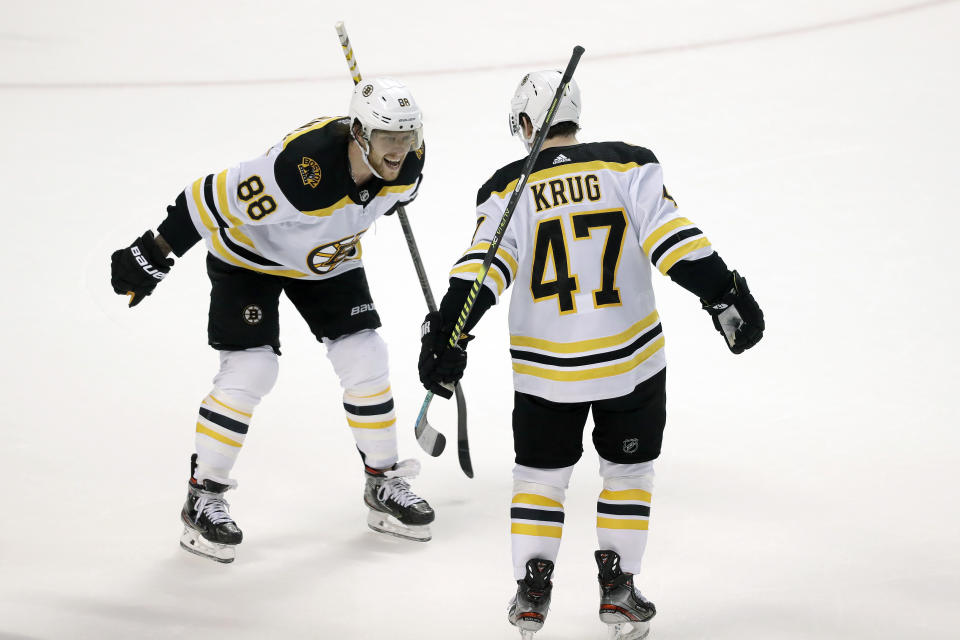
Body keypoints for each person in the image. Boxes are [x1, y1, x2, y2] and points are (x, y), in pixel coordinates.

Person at [418, 70, 764, 639]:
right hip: (630, 363)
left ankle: (532, 592)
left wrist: (447, 334)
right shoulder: (629, 164)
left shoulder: (508, 187)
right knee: (627, 472)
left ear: (527, 125)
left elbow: (483, 270)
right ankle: (619, 592)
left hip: (544, 370)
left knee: (540, 476)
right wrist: (722, 291)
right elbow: (672, 239)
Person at [110, 77, 436, 564]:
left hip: (327, 259)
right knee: (252, 369)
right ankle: (204, 497)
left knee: (366, 355)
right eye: (389, 136)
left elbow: (376, 202)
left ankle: (383, 481)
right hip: (249, 256)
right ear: (359, 133)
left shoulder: (410, 164)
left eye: (407, 136)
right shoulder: (299, 172)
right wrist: (155, 254)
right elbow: (206, 197)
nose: (399, 149)